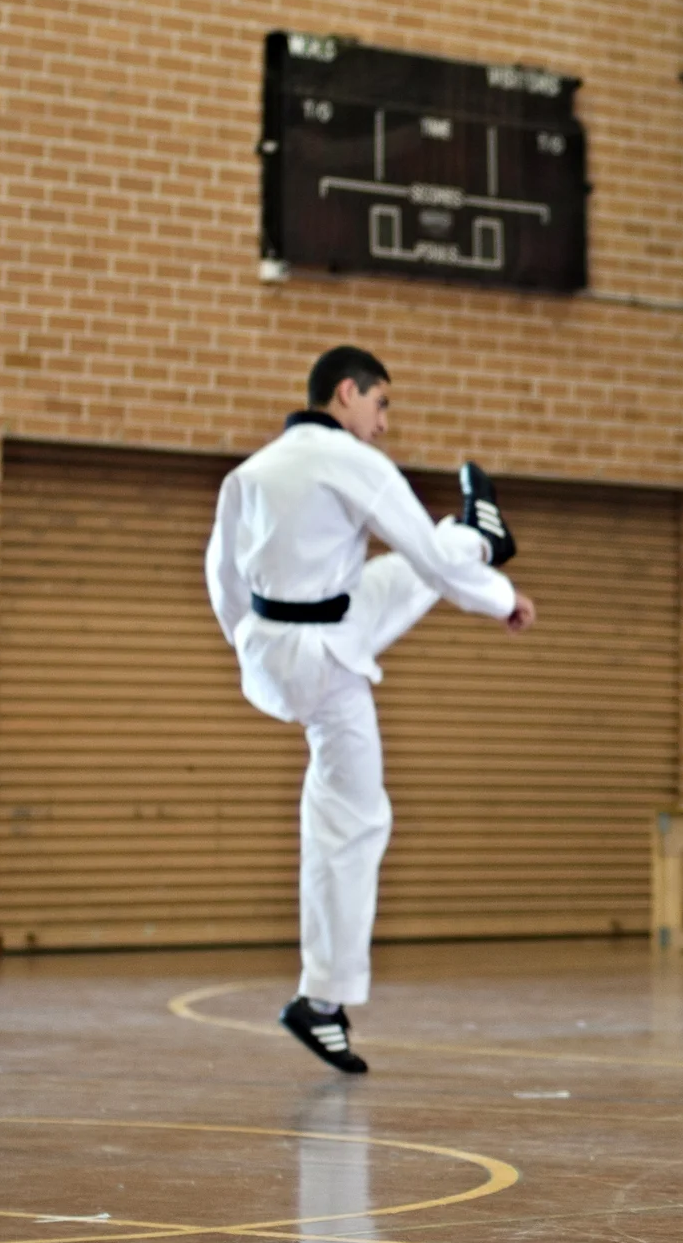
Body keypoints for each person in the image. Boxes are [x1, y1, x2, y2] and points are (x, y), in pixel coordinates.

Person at [205, 345, 536, 1074]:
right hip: (329, 660)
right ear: (347, 393)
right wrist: (504, 598)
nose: (383, 425)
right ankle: (480, 537)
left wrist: (249, 646)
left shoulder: (250, 471)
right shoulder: (352, 463)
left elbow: (222, 576)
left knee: (385, 583)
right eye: (381, 404)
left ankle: (477, 534)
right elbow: (427, 557)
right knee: (356, 821)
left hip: (276, 649)